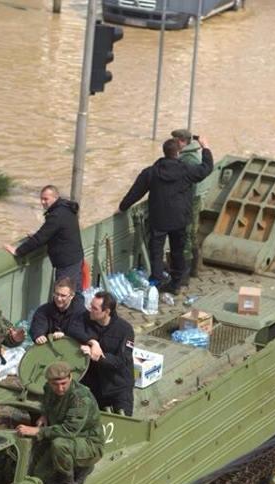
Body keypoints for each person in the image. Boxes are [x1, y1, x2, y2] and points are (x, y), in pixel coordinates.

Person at [118, 136, 214, 295]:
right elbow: (206, 168)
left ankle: (156, 282)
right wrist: (205, 147)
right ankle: (176, 283)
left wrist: (122, 207)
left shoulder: (151, 172)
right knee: (178, 251)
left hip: (159, 219)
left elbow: (136, 192)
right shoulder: (186, 170)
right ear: (178, 153)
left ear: (164, 152)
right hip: (180, 219)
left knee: (156, 252)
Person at [15, 361, 104, 484]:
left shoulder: (81, 398)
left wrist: (38, 431)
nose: (60, 388)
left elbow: (69, 430)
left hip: (89, 443)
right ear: (49, 382)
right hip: (65, 437)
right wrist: (44, 415)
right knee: (37, 474)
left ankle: (67, 483)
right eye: (55, 384)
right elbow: (47, 402)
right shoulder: (48, 388)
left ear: (70, 378)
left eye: (64, 383)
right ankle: (79, 466)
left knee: (59, 445)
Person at [66, 291, 135, 416]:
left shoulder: (125, 330)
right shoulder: (86, 318)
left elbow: (122, 361)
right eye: (91, 306)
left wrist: (99, 357)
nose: (90, 310)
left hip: (117, 386)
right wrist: (92, 342)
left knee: (123, 420)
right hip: (94, 384)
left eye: (95, 308)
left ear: (106, 312)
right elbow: (71, 329)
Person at [4, 185, 84, 287]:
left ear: (55, 197)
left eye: (46, 199)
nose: (42, 202)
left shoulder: (56, 215)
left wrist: (18, 251)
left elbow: (40, 238)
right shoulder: (66, 208)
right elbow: (54, 231)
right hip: (75, 258)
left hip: (67, 263)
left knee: (64, 291)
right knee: (75, 291)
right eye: (41, 199)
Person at [171, 129, 203, 278]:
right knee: (191, 235)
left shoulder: (188, 159)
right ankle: (194, 269)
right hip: (192, 199)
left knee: (187, 236)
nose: (173, 143)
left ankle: (185, 275)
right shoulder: (190, 155)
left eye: (174, 140)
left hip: (190, 201)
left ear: (181, 141)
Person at [29, 277, 85, 345]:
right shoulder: (44, 310)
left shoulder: (80, 313)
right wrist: (39, 335)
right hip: (49, 346)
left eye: (63, 296)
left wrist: (65, 335)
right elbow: (37, 325)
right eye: (56, 294)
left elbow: (82, 332)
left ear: (72, 296)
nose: (59, 298)